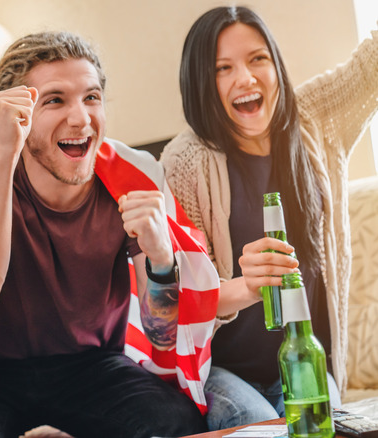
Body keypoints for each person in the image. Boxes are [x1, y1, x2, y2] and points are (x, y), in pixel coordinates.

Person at [0, 31, 220, 437]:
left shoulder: (132, 177)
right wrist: (4, 150)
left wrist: (162, 260)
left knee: (176, 422)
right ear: (17, 115)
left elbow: (161, 335)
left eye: (91, 97)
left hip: (91, 366)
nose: (80, 118)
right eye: (55, 100)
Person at [160, 6, 378, 430]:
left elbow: (370, 66)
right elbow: (179, 301)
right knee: (261, 425)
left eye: (258, 58)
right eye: (223, 68)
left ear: (276, 64)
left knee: (325, 425)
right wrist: (246, 286)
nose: (245, 78)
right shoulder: (183, 163)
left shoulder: (313, 116)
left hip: (305, 356)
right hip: (221, 372)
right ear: (202, 82)